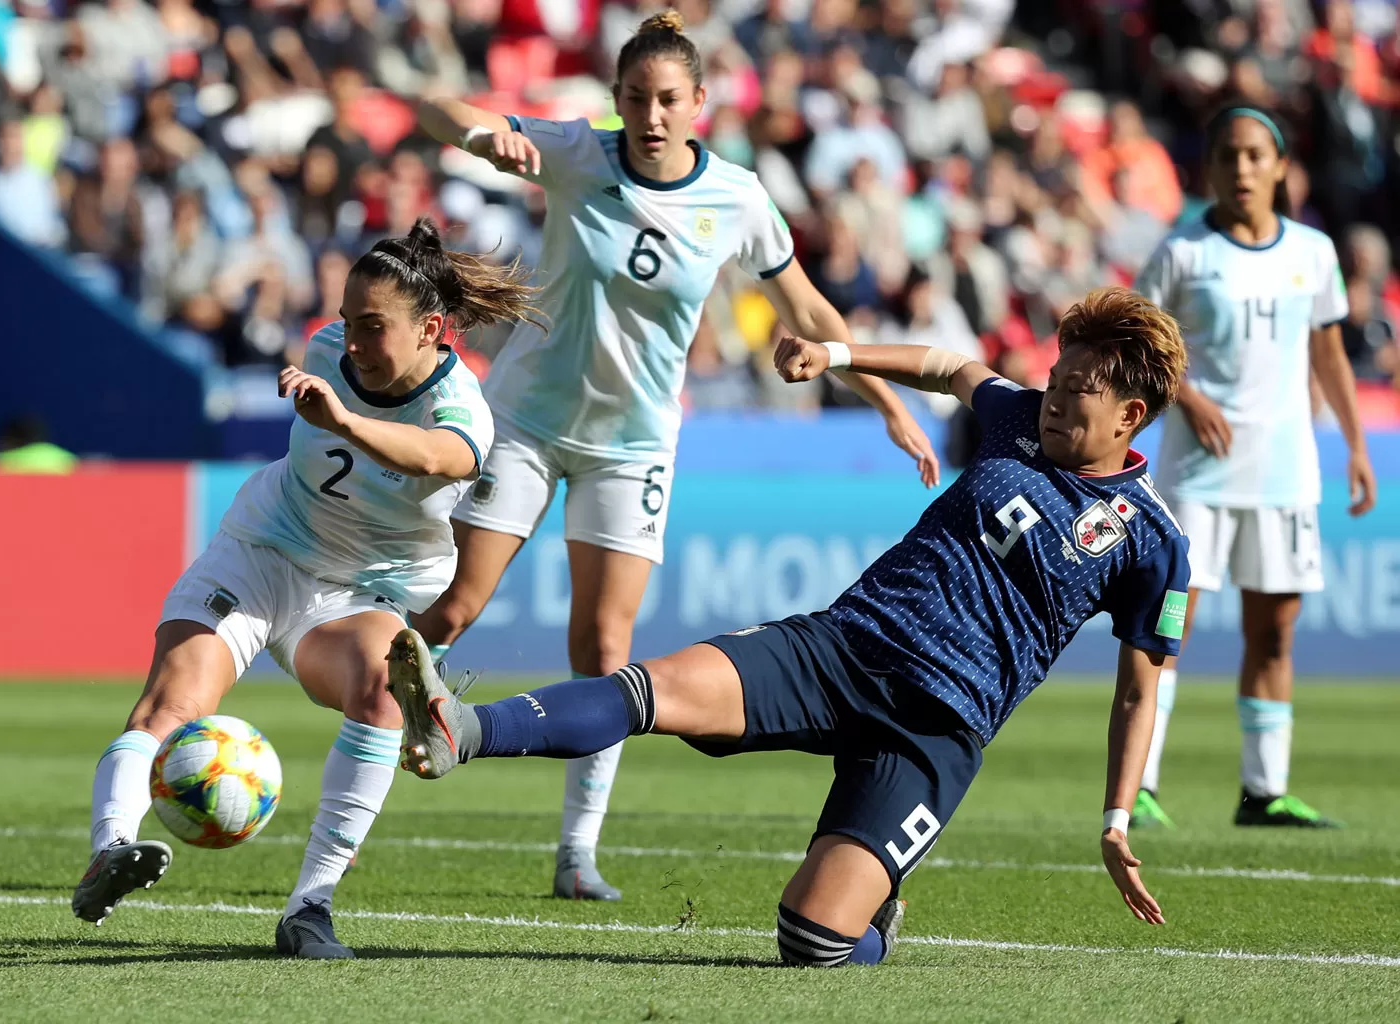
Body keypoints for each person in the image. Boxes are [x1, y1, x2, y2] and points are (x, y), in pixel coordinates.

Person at [389, 287, 1191, 966]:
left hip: (936, 728)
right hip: (843, 647)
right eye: (1056, 375)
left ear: (1131, 414)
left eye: (1079, 388)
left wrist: (1116, 819)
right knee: (652, 689)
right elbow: (950, 368)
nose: (1054, 395)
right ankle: (461, 728)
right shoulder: (1017, 418)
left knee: (811, 940)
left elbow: (1138, 690)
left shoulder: (1154, 541)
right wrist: (837, 359)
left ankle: (873, 915)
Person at [408, 10, 939, 902]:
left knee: (604, 642)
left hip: (633, 446)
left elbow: (810, 311)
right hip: (529, 421)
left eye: (667, 100)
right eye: (634, 100)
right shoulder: (577, 152)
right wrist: (477, 130)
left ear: (700, 101)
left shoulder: (736, 198)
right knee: (455, 607)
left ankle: (577, 855)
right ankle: (369, 737)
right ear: (615, 102)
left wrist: (886, 401)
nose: (650, 116)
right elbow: (432, 107)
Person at [71, 219, 538, 959]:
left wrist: (345, 421)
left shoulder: (462, 406)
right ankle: (112, 849)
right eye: (348, 321)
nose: (351, 341)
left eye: (372, 326)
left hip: (354, 594)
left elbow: (437, 458)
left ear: (433, 329)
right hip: (260, 554)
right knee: (174, 703)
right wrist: (342, 403)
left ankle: (309, 909)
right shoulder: (328, 351)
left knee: (389, 687)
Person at [1130, 104, 1377, 832]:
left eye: (1253, 155)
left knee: (1275, 634)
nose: (1240, 169)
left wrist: (1357, 446)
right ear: (1208, 169)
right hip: (1195, 474)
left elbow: (1328, 352)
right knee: (1170, 626)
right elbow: (1137, 344)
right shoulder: (1181, 253)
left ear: (1279, 166)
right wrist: (1189, 397)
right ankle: (1140, 784)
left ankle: (1263, 792)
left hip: (1284, 472)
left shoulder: (1313, 252)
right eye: (1227, 156)